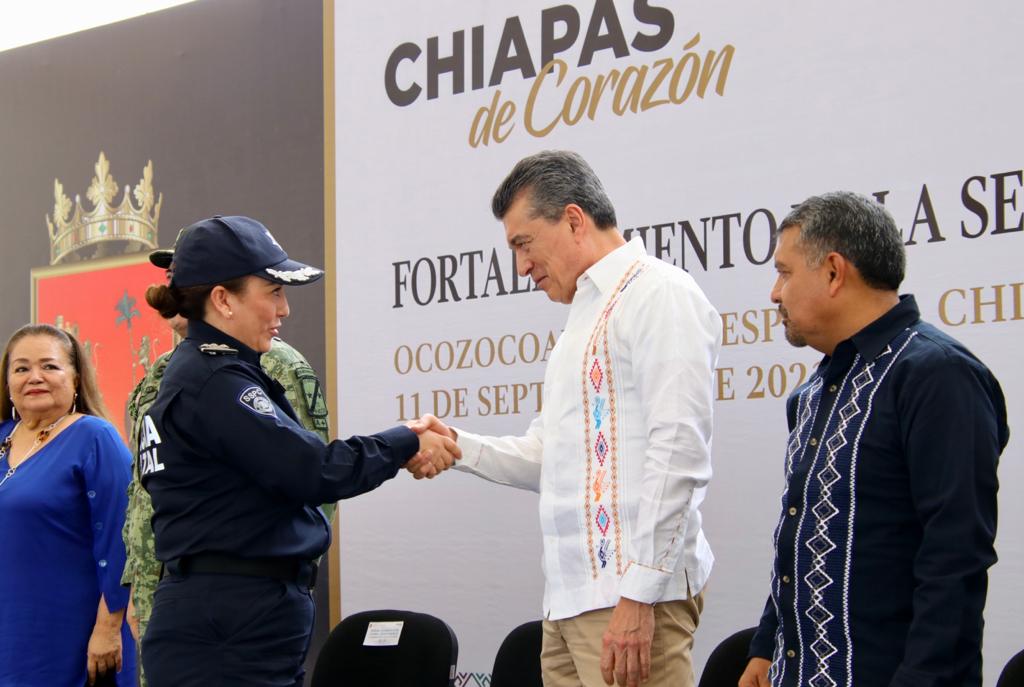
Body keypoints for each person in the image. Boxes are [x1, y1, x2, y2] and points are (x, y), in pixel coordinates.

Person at [415, 150, 721, 687]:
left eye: (522, 244)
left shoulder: (660, 293)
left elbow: (679, 455)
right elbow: (549, 458)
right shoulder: (583, 318)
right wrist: (457, 445)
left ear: (574, 219)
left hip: (627, 603)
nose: (520, 267)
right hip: (568, 603)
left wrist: (637, 596)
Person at [137, 215, 458, 686]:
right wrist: (407, 439)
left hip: (231, 618)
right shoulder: (216, 382)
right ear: (223, 301)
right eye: (272, 292)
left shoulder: (216, 373)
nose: (284, 309)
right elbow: (314, 471)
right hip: (227, 627)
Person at [738, 192, 1009, 687]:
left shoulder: (938, 376)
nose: (775, 294)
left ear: (834, 271)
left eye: (784, 272)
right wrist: (767, 645)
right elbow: (800, 536)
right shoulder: (813, 391)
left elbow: (954, 561)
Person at [120, 239, 334, 687]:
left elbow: (306, 473)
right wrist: (140, 588)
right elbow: (141, 493)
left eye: (183, 275)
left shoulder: (271, 362)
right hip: (171, 594)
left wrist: (288, 575)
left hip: (242, 599)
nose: (175, 285)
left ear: (215, 291)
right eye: (169, 275)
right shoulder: (155, 376)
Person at [0, 324, 136, 686]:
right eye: (22, 368)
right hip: (9, 634)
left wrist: (108, 628)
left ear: (76, 378)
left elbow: (125, 538)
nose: (35, 377)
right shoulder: (2, 437)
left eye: (50, 366)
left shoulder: (95, 438)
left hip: (73, 637)